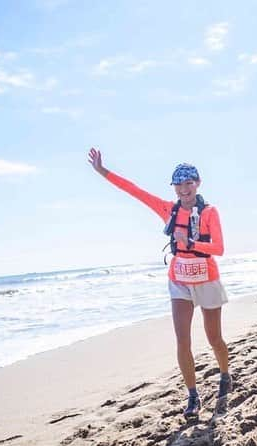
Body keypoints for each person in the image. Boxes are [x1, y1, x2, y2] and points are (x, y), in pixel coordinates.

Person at [87, 148, 230, 419]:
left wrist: (190, 242)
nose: (184, 189)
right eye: (179, 184)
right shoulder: (167, 209)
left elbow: (219, 248)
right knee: (182, 339)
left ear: (197, 183)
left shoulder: (210, 212)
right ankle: (192, 396)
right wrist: (103, 171)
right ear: (174, 187)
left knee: (214, 338)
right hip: (179, 280)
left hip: (207, 277)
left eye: (189, 183)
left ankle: (225, 375)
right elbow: (134, 190)